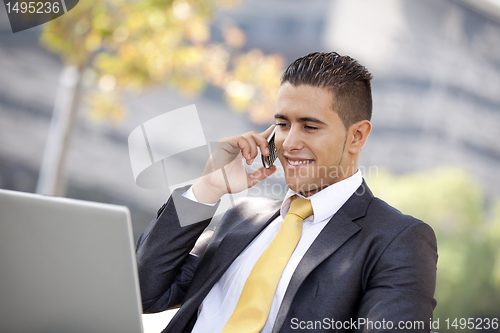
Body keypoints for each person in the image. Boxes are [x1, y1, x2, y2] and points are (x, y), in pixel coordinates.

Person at [136, 52, 438, 333]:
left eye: (310, 127)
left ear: (357, 136)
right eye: (282, 124)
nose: (289, 142)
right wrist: (208, 188)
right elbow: (143, 292)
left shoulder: (397, 240)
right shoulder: (244, 216)